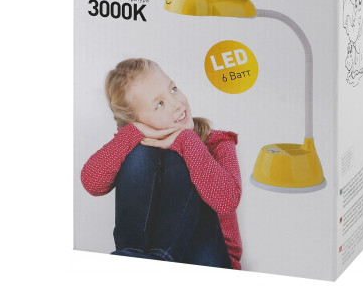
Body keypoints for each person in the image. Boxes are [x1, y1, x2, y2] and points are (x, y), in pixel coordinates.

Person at [81, 58, 242, 270]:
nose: (177, 105)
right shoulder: (132, 143)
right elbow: (92, 183)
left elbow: (227, 201)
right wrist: (132, 132)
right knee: (139, 153)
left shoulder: (217, 142)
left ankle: (155, 262)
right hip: (143, 254)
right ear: (138, 121)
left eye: (173, 89)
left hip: (208, 261)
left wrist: (187, 140)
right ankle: (133, 258)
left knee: (181, 157)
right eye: (159, 104)